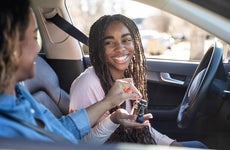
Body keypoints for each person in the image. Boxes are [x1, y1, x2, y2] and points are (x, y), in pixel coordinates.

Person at [0, 0, 151, 144]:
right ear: (10, 44)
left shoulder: (19, 92)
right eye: (34, 37)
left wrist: (112, 113)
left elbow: (59, 131)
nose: (38, 48)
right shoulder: (6, 130)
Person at [69, 14, 208, 148]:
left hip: (132, 144)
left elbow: (140, 127)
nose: (120, 48)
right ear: (99, 49)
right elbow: (80, 145)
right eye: (109, 42)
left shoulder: (124, 78)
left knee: (199, 146)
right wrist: (112, 120)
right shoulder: (86, 84)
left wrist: (172, 144)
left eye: (126, 40)